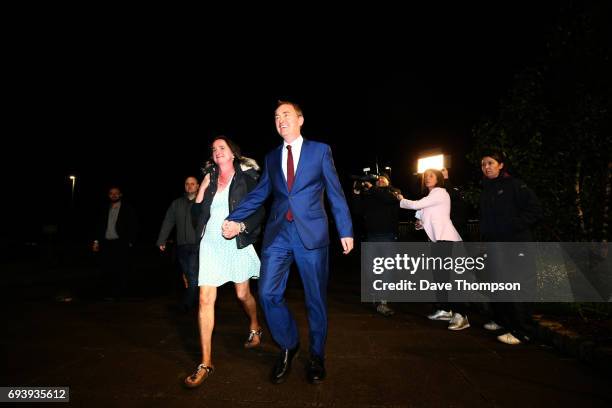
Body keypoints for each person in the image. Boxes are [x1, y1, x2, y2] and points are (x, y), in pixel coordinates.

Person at [223, 100, 354, 384]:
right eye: (276, 117)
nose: (280, 120)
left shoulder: (320, 151)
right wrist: (234, 217)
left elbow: (335, 192)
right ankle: (289, 344)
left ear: (300, 119)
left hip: (312, 235)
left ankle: (317, 356)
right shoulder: (271, 157)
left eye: (286, 115)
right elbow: (259, 195)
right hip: (279, 235)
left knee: (315, 300)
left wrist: (345, 229)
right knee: (268, 294)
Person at [183, 136, 266, 388]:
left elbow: (259, 210)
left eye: (222, 148)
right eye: (214, 149)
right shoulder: (209, 179)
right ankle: (206, 362)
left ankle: (255, 325)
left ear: (232, 153)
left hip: (235, 242)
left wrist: (240, 226)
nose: (217, 151)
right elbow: (196, 215)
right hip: (210, 244)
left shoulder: (247, 177)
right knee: (205, 299)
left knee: (242, 294)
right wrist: (202, 189)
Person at [479, 151, 542, 345]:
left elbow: (535, 210)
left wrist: (513, 226)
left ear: (501, 165)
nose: (486, 167)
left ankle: (523, 330)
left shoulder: (515, 185)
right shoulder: (487, 188)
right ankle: (503, 321)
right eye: (483, 164)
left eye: (490, 163)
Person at [398, 169, 469, 331]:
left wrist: (401, 199)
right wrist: (420, 224)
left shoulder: (440, 192)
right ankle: (445, 309)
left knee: (449, 277)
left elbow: (415, 205)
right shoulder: (430, 197)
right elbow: (423, 216)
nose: (427, 178)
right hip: (437, 241)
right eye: (426, 176)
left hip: (447, 239)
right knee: (440, 277)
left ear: (438, 179)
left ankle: (461, 315)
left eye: (431, 176)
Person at [352, 174, 400, 316]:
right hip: (371, 236)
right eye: (378, 178)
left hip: (387, 237)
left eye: (383, 178)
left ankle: (383, 302)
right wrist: (356, 193)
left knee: (386, 270)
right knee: (371, 269)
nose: (380, 179)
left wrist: (372, 188)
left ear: (389, 182)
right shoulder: (372, 195)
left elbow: (387, 199)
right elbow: (357, 210)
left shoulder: (394, 192)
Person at [156, 176, 200, 313]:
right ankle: (199, 301)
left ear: (198, 186)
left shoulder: (203, 202)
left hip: (197, 245)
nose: (190, 186)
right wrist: (161, 240)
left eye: (193, 184)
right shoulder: (177, 203)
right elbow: (168, 221)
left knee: (192, 274)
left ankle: (186, 304)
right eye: (187, 184)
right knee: (188, 275)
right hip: (181, 245)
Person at [91, 186, 138, 300]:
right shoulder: (104, 208)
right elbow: (98, 226)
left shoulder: (127, 208)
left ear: (120, 195)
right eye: (111, 193)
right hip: (106, 243)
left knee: (121, 268)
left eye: (116, 193)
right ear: (108, 195)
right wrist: (96, 241)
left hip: (120, 243)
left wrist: (130, 241)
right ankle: (108, 293)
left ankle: (121, 293)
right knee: (106, 268)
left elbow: (133, 225)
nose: (114, 195)